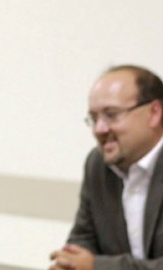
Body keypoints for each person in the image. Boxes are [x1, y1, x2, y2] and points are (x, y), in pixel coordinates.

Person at [49, 64, 163, 269]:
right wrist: (69, 263)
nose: (99, 129)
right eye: (94, 118)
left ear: (154, 113)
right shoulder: (97, 164)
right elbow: (83, 238)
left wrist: (97, 267)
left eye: (111, 115)